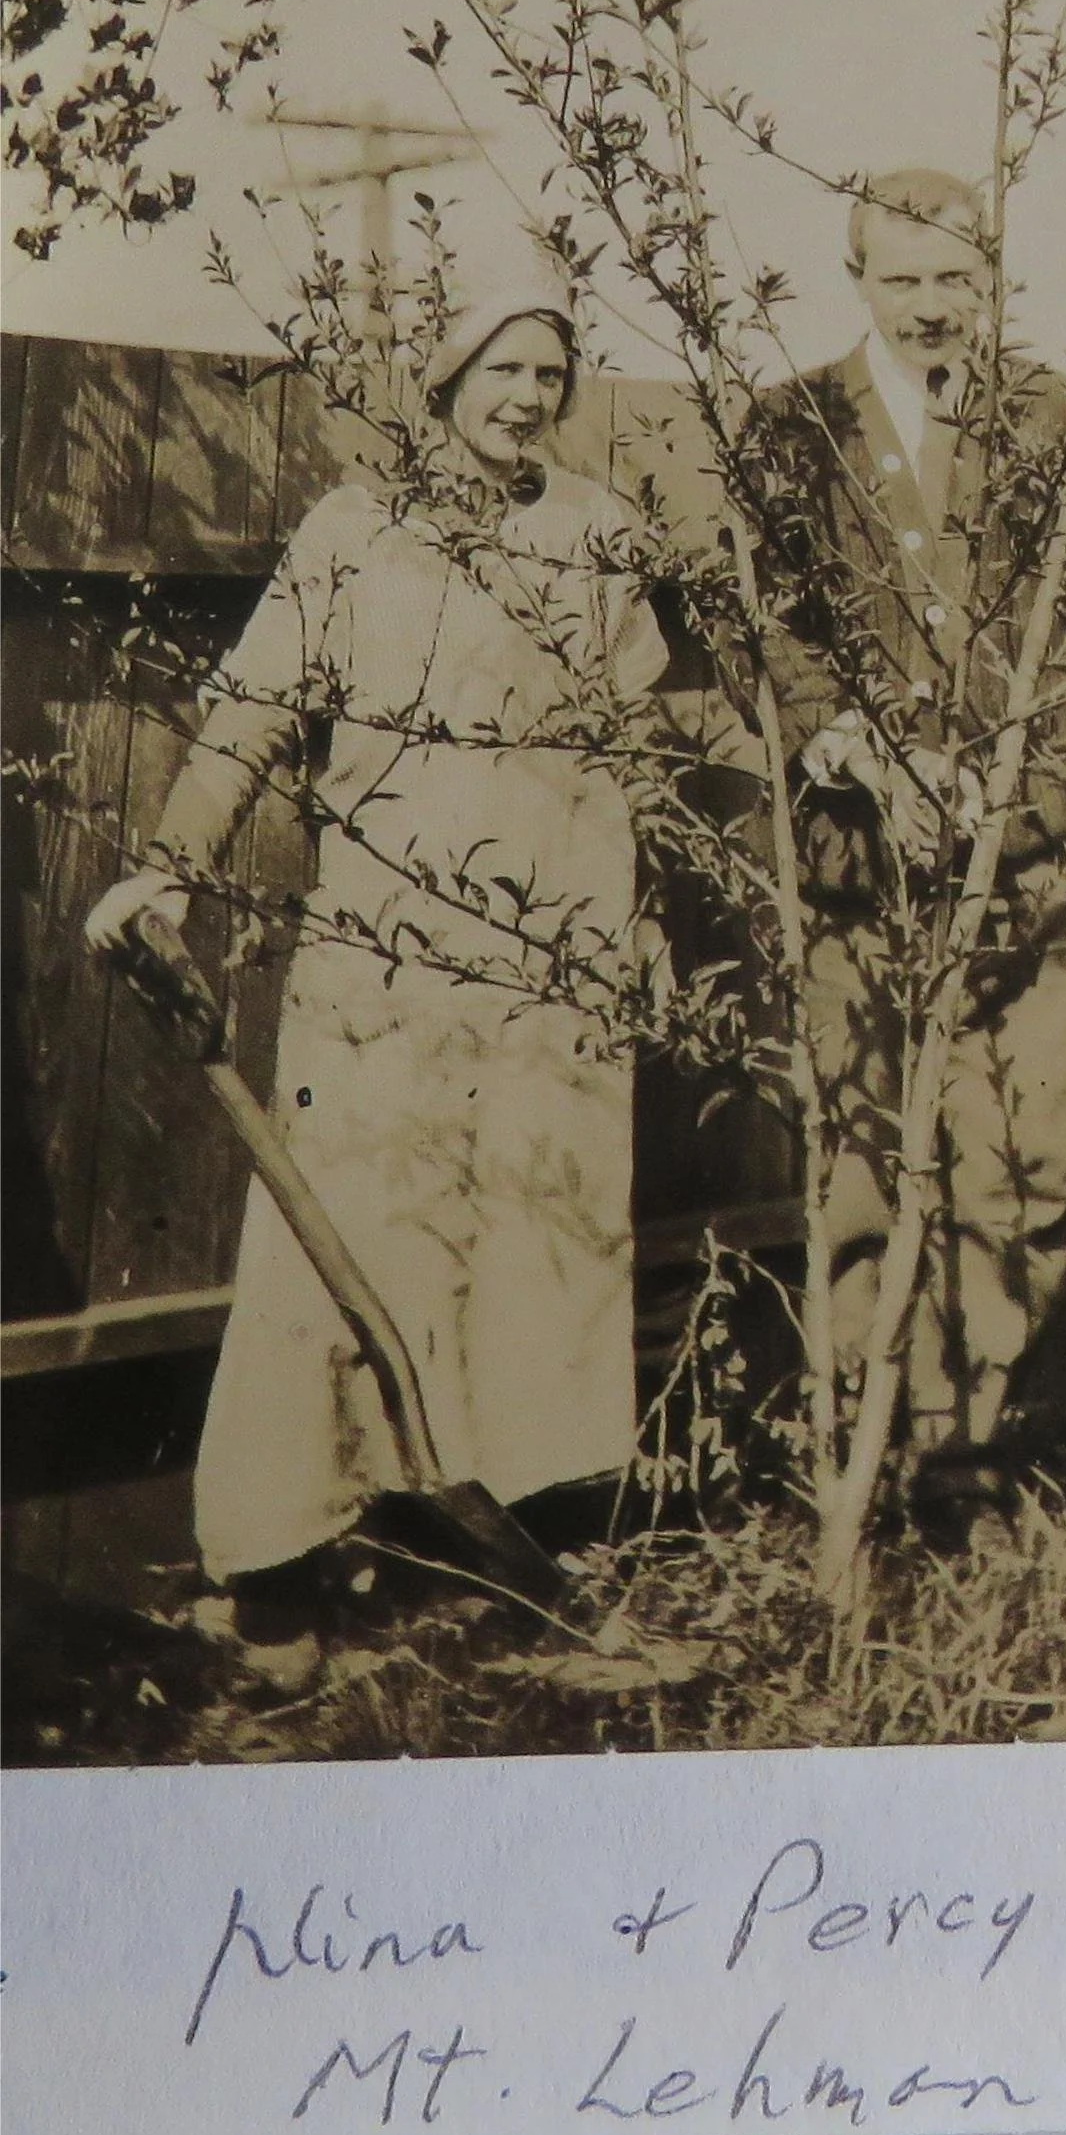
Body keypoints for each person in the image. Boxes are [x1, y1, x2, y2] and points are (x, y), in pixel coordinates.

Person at [87, 264, 669, 1676]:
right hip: (392, 958)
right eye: (502, 368)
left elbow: (634, 744)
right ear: (449, 374)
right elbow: (253, 717)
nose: (527, 397)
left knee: (549, 1250)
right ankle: (278, 1567)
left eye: (551, 373)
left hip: (557, 958)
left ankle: (532, 1558)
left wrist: (641, 912)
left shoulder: (600, 535)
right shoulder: (359, 534)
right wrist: (169, 860)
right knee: (334, 1245)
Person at [745, 168, 1066, 1531]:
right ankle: (883, 1442)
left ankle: (978, 1445)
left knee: (1022, 1161)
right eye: (903, 277)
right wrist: (862, 752)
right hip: (866, 868)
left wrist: (1017, 750)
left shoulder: (1054, 420)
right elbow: (775, 626)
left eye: (954, 278)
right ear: (857, 279)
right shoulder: (791, 429)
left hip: (1030, 857)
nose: (931, 306)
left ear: (990, 281)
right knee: (869, 1164)